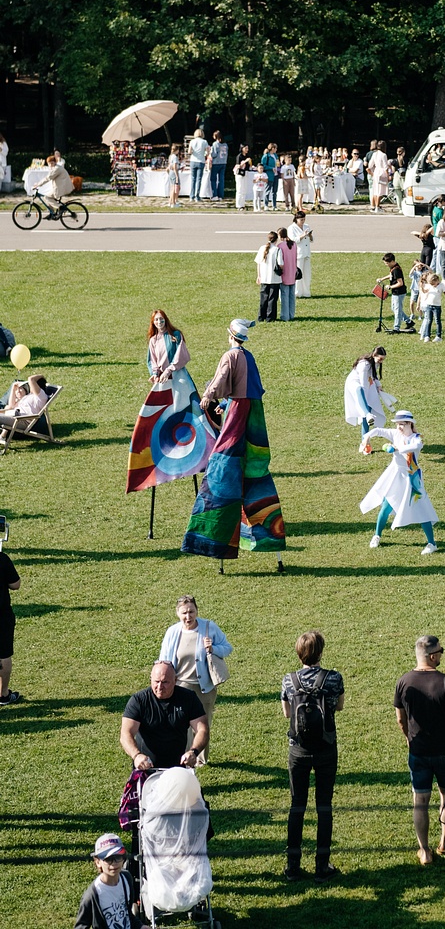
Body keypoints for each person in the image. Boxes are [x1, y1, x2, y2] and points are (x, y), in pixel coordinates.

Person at [181, 319, 286, 560]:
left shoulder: (230, 356)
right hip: (253, 414)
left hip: (239, 412)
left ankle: (212, 536)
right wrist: (227, 403)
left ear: (230, 335)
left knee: (224, 463)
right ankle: (265, 533)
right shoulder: (249, 357)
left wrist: (209, 397)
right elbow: (250, 388)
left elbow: (222, 379)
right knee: (253, 468)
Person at [394, 636, 445, 864]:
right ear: (432, 656)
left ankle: (424, 851)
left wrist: (408, 737)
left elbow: (400, 719)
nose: (441, 655)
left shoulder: (404, 682)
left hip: (418, 751)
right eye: (440, 651)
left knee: (420, 799)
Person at [126, 310, 215, 492]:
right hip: (164, 381)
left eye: (162, 319)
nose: (159, 322)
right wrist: (156, 373)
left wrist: (170, 369)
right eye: (156, 320)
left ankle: (205, 448)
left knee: (190, 409)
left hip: (179, 378)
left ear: (166, 320)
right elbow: (152, 361)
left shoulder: (175, 335)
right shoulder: (153, 341)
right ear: (153, 323)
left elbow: (181, 356)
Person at [281, 630, 344, 883]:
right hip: (326, 748)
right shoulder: (333, 678)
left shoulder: (289, 680)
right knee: (324, 807)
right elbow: (339, 706)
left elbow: (287, 713)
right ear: (321, 652)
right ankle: (322, 865)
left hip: (298, 750)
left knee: (297, 806)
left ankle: (293, 866)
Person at [158, 596, 232, 763]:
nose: (188, 616)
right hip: (180, 686)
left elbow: (227, 648)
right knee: (181, 725)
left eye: (191, 612)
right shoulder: (172, 632)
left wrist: (213, 648)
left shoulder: (209, 628)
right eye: (184, 612)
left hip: (204, 687)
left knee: (202, 725)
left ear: (197, 611)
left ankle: (200, 758)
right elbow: (163, 658)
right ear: (177, 613)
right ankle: (183, 756)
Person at [360, 409, 438, 554]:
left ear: (410, 424)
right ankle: (377, 535)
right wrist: (367, 438)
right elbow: (377, 431)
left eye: (402, 424)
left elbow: (416, 446)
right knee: (386, 507)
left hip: (412, 478)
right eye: (398, 424)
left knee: (421, 509)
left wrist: (396, 448)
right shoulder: (396, 433)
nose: (399, 427)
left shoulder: (416, 437)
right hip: (395, 475)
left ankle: (432, 543)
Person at [120, 661, 209, 770]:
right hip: (146, 767)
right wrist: (136, 755)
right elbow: (126, 734)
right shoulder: (139, 700)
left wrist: (194, 752)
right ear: (150, 679)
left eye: (165, 682)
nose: (160, 686)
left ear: (175, 680)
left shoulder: (188, 698)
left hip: (177, 768)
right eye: (156, 681)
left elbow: (202, 729)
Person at [74, 833, 139, 929]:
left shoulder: (127, 879)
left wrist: (140, 926)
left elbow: (128, 914)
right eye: (108, 859)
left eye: (118, 857)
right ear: (98, 862)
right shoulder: (92, 895)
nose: (114, 864)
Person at [344, 348, 392, 443]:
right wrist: (364, 398)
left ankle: (365, 441)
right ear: (374, 355)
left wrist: (378, 386)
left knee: (369, 408)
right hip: (355, 383)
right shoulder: (364, 364)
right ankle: (367, 413)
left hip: (367, 384)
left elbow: (373, 376)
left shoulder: (375, 363)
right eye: (380, 359)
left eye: (383, 359)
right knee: (361, 393)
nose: (381, 361)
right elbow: (362, 383)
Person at [0, 373, 49, 448]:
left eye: (31, 384)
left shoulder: (40, 396)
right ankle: (2, 436)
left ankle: (2, 436)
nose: (30, 385)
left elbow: (31, 379)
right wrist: (13, 388)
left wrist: (41, 376)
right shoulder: (28, 396)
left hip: (21, 421)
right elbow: (11, 406)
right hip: (14, 417)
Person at [0, 543, 21, 706]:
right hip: (1, 616)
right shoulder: (2, 559)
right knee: (3, 654)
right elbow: (15, 584)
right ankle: (3, 694)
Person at [378, 252, 416, 334]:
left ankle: (396, 328)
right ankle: (409, 322)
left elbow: (400, 283)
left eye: (387, 263)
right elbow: (391, 275)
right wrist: (382, 278)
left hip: (399, 292)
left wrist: (390, 287)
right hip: (395, 292)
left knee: (397, 310)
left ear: (392, 261)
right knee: (394, 308)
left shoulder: (396, 270)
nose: (386, 264)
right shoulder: (393, 268)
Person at [255, 229, 281, 322]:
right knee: (272, 299)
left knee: (263, 298)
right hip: (274, 278)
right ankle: (270, 317)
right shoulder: (277, 250)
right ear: (276, 240)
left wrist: (258, 276)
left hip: (263, 277)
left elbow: (258, 263)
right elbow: (280, 263)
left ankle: (261, 316)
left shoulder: (262, 248)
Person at [288, 211, 313, 298]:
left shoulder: (306, 226)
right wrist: (302, 236)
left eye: (304, 219)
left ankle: (306, 292)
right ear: (297, 219)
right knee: (298, 274)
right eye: (301, 220)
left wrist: (310, 236)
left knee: (307, 274)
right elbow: (293, 240)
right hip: (298, 253)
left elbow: (311, 240)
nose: (303, 221)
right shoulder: (291, 228)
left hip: (306, 252)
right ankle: (297, 292)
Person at [418, 271, 445, 342]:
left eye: (433, 284)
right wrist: (422, 287)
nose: (432, 285)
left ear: (437, 280)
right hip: (429, 305)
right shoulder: (429, 285)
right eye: (431, 284)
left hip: (437, 306)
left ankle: (438, 336)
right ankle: (427, 335)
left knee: (437, 321)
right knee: (429, 321)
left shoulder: (441, 285)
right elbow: (425, 291)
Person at [276, 227, 298, 322]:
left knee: (284, 296)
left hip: (285, 273)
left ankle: (285, 316)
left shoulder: (280, 246)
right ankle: (291, 314)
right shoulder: (293, 244)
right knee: (291, 296)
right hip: (293, 272)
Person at [187, 128, 209, 202]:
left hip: (193, 160)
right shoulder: (204, 142)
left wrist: (194, 152)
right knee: (199, 179)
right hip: (201, 161)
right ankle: (197, 196)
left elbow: (189, 152)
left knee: (193, 179)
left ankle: (191, 196)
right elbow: (208, 152)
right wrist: (204, 154)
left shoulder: (192, 141)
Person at [368, 140, 390, 213]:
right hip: (382, 172)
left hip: (376, 171)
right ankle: (378, 207)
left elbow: (370, 165)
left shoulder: (374, 154)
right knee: (380, 191)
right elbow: (385, 167)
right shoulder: (384, 155)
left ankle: (374, 206)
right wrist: (388, 175)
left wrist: (371, 173)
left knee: (375, 190)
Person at [209, 131, 228, 201]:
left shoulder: (215, 144)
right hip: (223, 162)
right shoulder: (225, 144)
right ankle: (221, 195)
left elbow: (214, 154)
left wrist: (210, 152)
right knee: (221, 180)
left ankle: (215, 195)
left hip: (216, 163)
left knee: (213, 179)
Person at [233, 145, 252, 211]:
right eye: (245, 148)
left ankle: (242, 204)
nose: (247, 149)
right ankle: (238, 205)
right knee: (240, 189)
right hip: (240, 174)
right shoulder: (239, 156)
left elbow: (249, 166)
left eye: (247, 148)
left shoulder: (247, 156)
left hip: (245, 173)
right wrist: (245, 161)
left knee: (244, 189)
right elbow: (238, 166)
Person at [260, 143, 279, 209]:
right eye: (275, 148)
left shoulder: (276, 155)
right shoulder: (266, 156)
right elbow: (263, 166)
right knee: (267, 190)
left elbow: (277, 163)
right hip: (269, 175)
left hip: (276, 175)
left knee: (275, 191)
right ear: (272, 148)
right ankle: (266, 205)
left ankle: (274, 205)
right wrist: (271, 168)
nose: (276, 150)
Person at [166, 143, 181, 207]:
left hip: (171, 173)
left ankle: (170, 202)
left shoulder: (170, 156)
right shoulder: (175, 157)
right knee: (175, 188)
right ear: (177, 150)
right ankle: (173, 203)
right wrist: (177, 176)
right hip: (174, 173)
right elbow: (174, 167)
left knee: (172, 188)